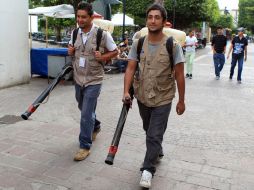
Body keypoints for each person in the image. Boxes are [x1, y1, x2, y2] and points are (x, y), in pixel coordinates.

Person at [123, 3, 185, 188]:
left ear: (164, 22)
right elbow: (131, 68)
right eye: (150, 17)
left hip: (163, 97)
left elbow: (180, 75)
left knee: (153, 134)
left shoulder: (172, 45)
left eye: (157, 17)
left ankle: (147, 170)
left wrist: (181, 101)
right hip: (142, 95)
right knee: (148, 129)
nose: (153, 20)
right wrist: (126, 91)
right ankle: (156, 149)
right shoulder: (138, 42)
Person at [68, 2, 118, 161]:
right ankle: (95, 125)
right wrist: (70, 50)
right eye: (78, 16)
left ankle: (84, 146)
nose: (80, 20)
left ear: (91, 17)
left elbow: (115, 51)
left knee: (85, 114)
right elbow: (71, 48)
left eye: (83, 17)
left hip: (94, 80)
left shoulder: (102, 35)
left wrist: (102, 57)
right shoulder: (75, 33)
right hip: (78, 78)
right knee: (82, 107)